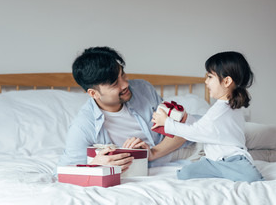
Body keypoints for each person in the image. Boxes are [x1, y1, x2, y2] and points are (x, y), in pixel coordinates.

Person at [57, 46, 189, 172]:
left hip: (187, 149)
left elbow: (183, 129)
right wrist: (95, 164)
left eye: (123, 75)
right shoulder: (83, 126)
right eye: (115, 84)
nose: (125, 84)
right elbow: (62, 173)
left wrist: (152, 153)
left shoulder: (143, 89)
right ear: (93, 93)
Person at [152, 51, 264, 182]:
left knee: (252, 178)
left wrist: (167, 123)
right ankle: (224, 174)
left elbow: (194, 132)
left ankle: (232, 173)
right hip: (212, 161)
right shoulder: (223, 107)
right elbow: (202, 127)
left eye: (210, 77)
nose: (206, 81)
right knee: (184, 174)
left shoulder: (221, 110)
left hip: (232, 160)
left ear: (227, 81)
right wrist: (187, 119)